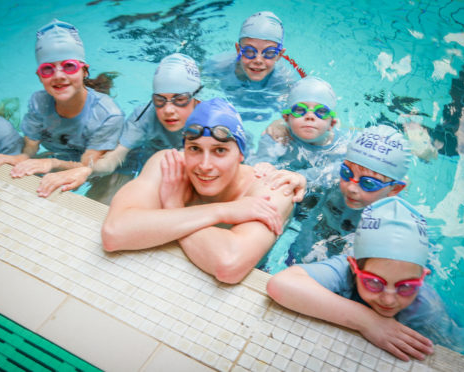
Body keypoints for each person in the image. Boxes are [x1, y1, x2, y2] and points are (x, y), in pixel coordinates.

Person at [102, 98, 306, 284]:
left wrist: (173, 207)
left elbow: (229, 265)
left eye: (220, 150)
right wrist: (222, 211)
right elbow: (114, 233)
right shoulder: (170, 165)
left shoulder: (272, 187)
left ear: (240, 154)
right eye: (195, 149)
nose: (205, 165)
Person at [267, 197, 464, 360]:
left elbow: (457, 352)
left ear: (423, 277)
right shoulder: (344, 269)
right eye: (374, 282)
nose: (389, 299)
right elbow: (281, 284)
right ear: (354, 267)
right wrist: (368, 321)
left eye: (406, 287)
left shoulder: (424, 307)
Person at [35, 53, 202, 200]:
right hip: (146, 171)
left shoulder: (213, 122)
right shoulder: (144, 116)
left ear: (196, 98)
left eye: (180, 100)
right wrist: (84, 171)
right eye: (159, 100)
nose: (168, 110)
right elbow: (113, 159)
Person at [0, 19, 125, 187]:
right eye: (47, 69)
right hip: (63, 156)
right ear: (39, 76)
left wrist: (52, 163)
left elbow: (88, 167)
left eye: (69, 66)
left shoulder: (108, 115)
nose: (58, 75)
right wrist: (16, 158)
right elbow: (29, 149)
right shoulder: (39, 102)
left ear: (84, 70)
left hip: (103, 170)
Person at [258, 124, 411, 272]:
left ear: (395, 189)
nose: (351, 187)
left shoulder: (392, 220)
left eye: (368, 183)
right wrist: (298, 178)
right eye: (346, 173)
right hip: (306, 244)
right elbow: (305, 178)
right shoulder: (335, 172)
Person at [203, 11, 302, 126]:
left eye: (269, 53)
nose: (258, 60)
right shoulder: (218, 66)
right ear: (238, 50)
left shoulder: (285, 82)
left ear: (279, 55)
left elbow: (295, 114)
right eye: (249, 51)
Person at [249, 76, 350, 190]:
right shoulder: (277, 135)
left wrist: (302, 177)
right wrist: (265, 165)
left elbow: (343, 169)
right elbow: (260, 163)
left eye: (321, 111)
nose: (310, 116)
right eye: (300, 110)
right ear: (287, 119)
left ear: (332, 124)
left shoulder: (342, 145)